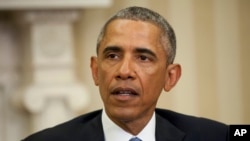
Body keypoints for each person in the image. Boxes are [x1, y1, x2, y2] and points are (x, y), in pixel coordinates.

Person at [22, 6, 228, 141]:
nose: (124, 71)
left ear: (170, 77)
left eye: (143, 58)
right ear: (95, 71)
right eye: (112, 56)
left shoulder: (219, 136)